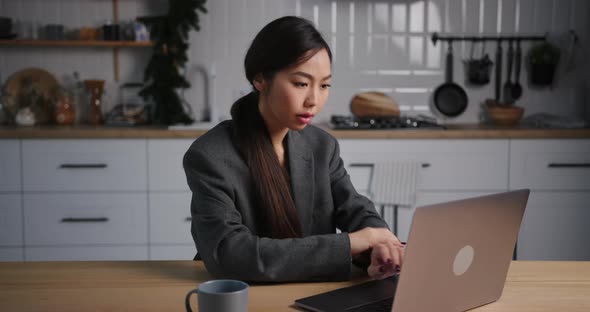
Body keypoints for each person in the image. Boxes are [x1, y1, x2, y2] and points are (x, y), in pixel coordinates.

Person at [183, 16, 404, 282]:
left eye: (324, 85)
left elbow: (355, 208)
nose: (314, 100)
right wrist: (351, 244)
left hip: (314, 294)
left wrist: (381, 245)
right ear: (260, 78)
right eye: (301, 83)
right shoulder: (211, 155)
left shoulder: (322, 146)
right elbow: (230, 254)